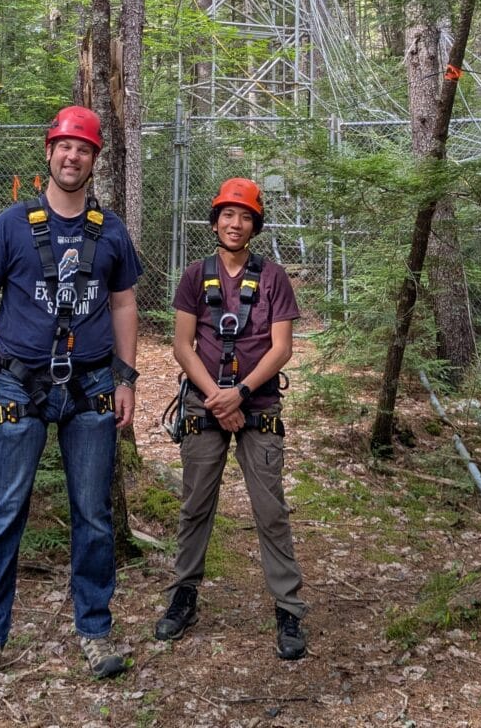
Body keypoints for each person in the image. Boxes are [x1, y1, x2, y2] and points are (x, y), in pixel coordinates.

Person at [0, 106, 143, 690]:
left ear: (94, 160)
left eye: (83, 149)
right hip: (17, 382)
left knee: (93, 513)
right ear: (48, 152)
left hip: (89, 386)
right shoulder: (12, 224)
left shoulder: (109, 230)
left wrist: (127, 379)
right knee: (4, 510)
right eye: (64, 147)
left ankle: (94, 631)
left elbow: (123, 305)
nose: (72, 157)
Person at [155, 177, 308, 660]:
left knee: (270, 511)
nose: (234, 223)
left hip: (257, 404)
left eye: (243, 216)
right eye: (227, 214)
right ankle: (184, 595)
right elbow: (182, 345)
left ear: (255, 223)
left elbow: (281, 348)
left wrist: (239, 393)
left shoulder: (273, 278)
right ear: (215, 220)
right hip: (205, 403)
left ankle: (288, 608)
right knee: (195, 503)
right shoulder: (195, 275)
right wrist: (216, 398)